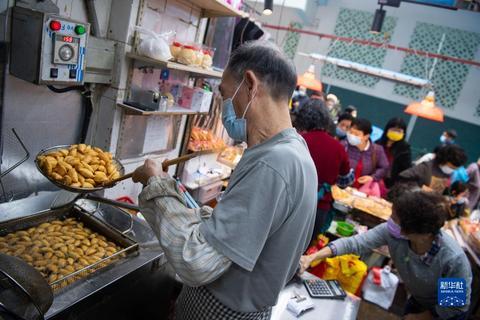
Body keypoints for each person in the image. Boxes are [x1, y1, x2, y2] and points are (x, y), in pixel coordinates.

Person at [132, 41, 317, 320]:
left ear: (250, 85)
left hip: (221, 312)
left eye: (225, 94)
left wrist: (156, 183)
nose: (224, 106)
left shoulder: (273, 163)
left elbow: (196, 261)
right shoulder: (292, 151)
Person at [300, 188, 472, 320]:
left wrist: (421, 317)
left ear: (420, 232)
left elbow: (454, 305)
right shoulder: (393, 232)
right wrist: (312, 257)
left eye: (396, 220)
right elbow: (355, 243)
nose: (390, 223)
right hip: (418, 301)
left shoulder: (451, 259)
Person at [295, 99, 354, 240]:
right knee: (302, 250)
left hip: (293, 202)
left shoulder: (298, 141)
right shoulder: (338, 148)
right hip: (319, 208)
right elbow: (346, 181)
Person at [399, 144, 467, 194]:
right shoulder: (426, 167)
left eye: (454, 169)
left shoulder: (448, 173)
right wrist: (419, 189)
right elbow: (403, 177)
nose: (451, 170)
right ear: (444, 160)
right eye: (451, 167)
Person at [343, 118, 389, 190]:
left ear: (366, 136)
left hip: (363, 191)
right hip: (341, 187)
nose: (352, 136)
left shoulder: (377, 150)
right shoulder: (344, 145)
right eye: (351, 132)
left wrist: (372, 177)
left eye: (356, 134)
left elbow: (384, 167)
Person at [376, 117, 412, 188]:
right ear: (387, 130)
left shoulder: (405, 148)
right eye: (393, 130)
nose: (396, 133)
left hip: (391, 183)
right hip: (374, 177)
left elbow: (406, 169)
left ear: (403, 133)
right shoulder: (378, 143)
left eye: (399, 131)